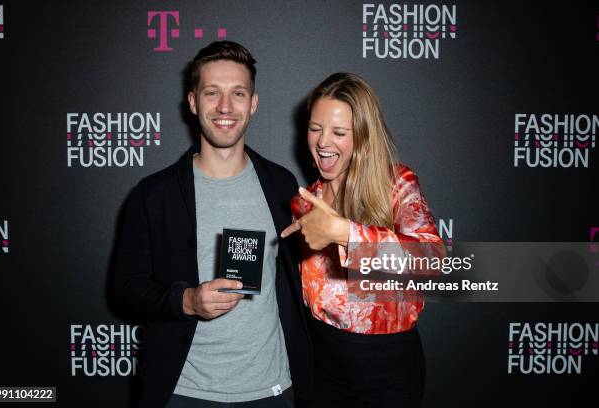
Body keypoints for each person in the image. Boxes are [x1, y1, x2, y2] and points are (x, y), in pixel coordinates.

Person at [114, 41, 311, 408]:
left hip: (271, 389)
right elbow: (125, 288)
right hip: (184, 392)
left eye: (238, 93)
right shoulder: (154, 195)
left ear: (253, 103)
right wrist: (186, 300)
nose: (225, 107)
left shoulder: (283, 185)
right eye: (212, 93)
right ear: (192, 103)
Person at [281, 72, 445, 407]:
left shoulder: (396, 184)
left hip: (389, 368)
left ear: (363, 137)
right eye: (315, 128)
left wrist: (344, 232)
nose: (323, 142)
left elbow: (433, 260)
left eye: (339, 132)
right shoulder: (303, 202)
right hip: (322, 363)